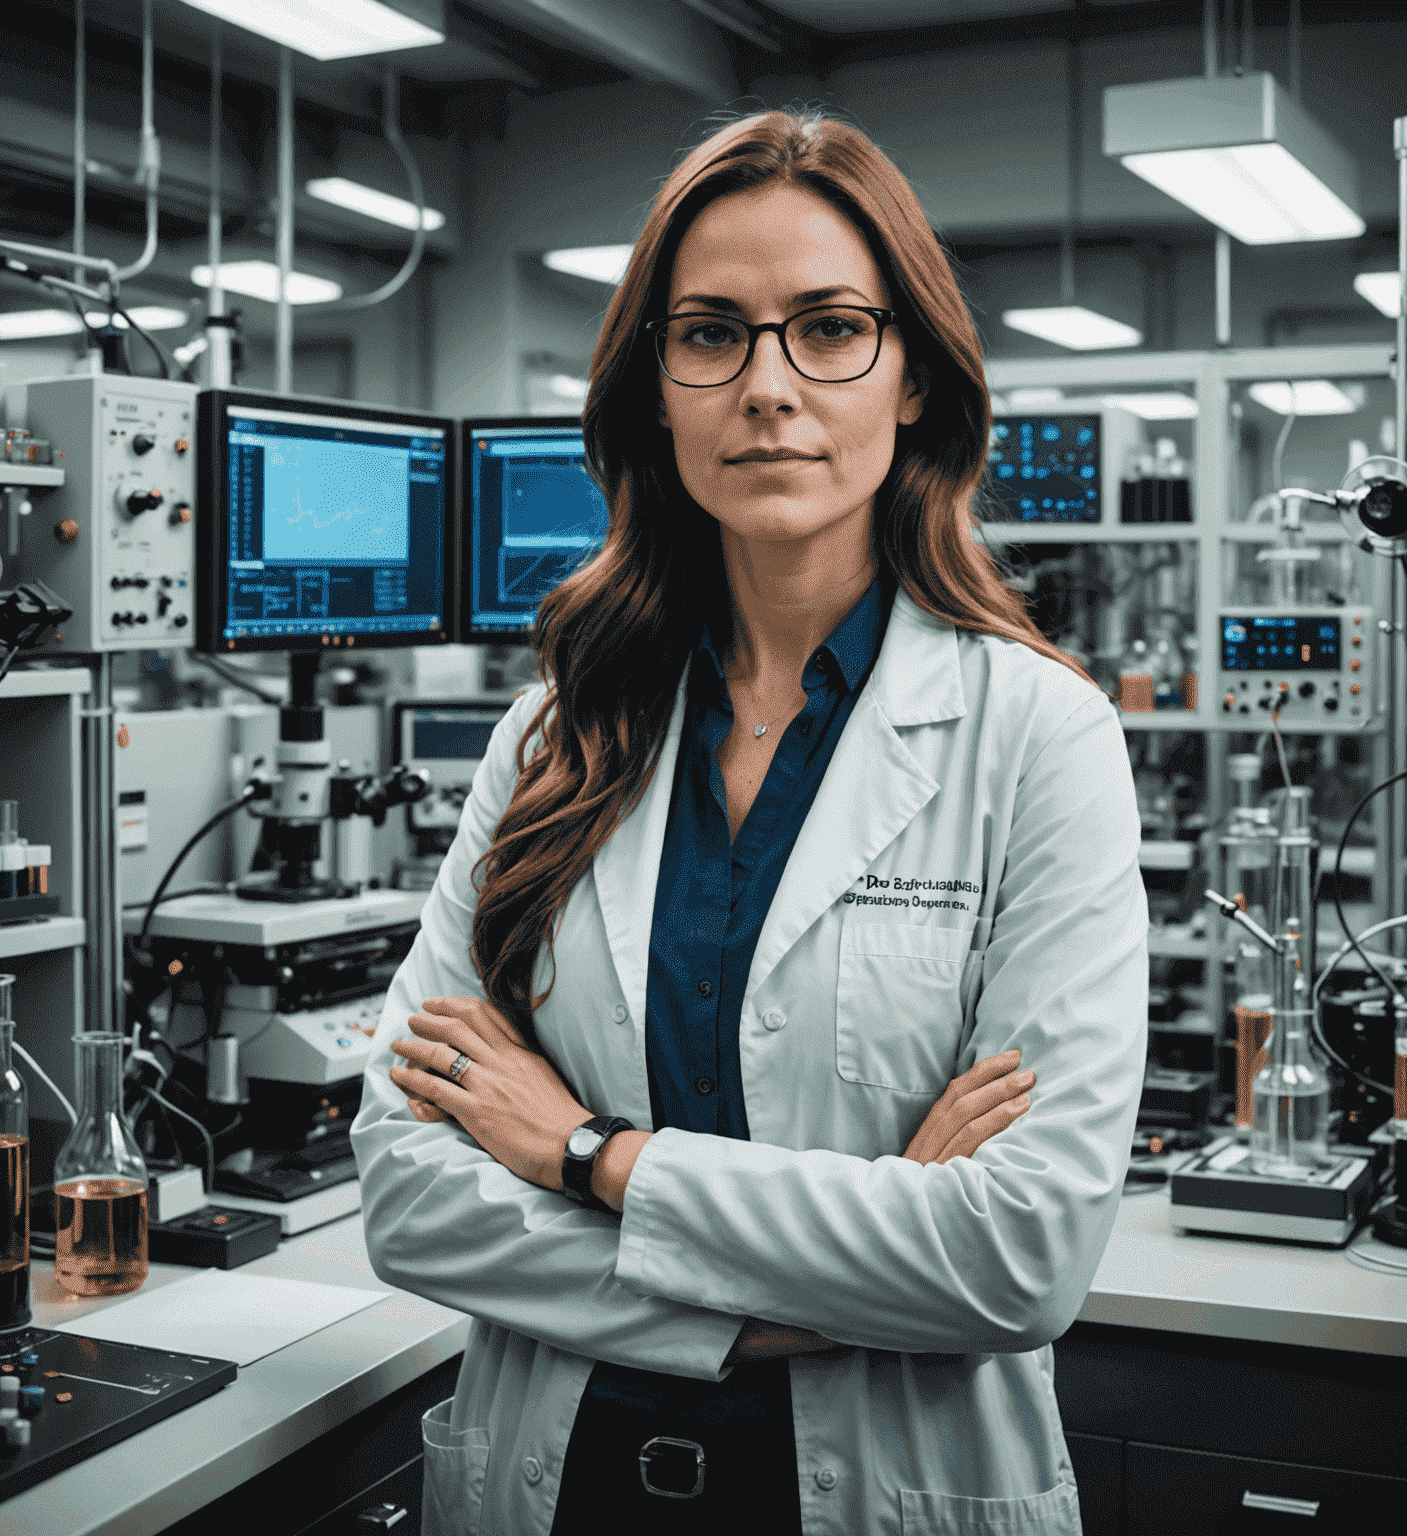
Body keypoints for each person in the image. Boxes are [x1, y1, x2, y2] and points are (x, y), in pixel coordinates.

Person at [353, 107, 1148, 1536]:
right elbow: (411, 1194)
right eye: (711, 333)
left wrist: (590, 1157)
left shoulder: (1039, 738)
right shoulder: (556, 735)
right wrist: (831, 1276)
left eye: (831, 327)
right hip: (564, 1486)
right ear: (656, 385)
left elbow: (1021, 1255)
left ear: (913, 378)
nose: (768, 386)